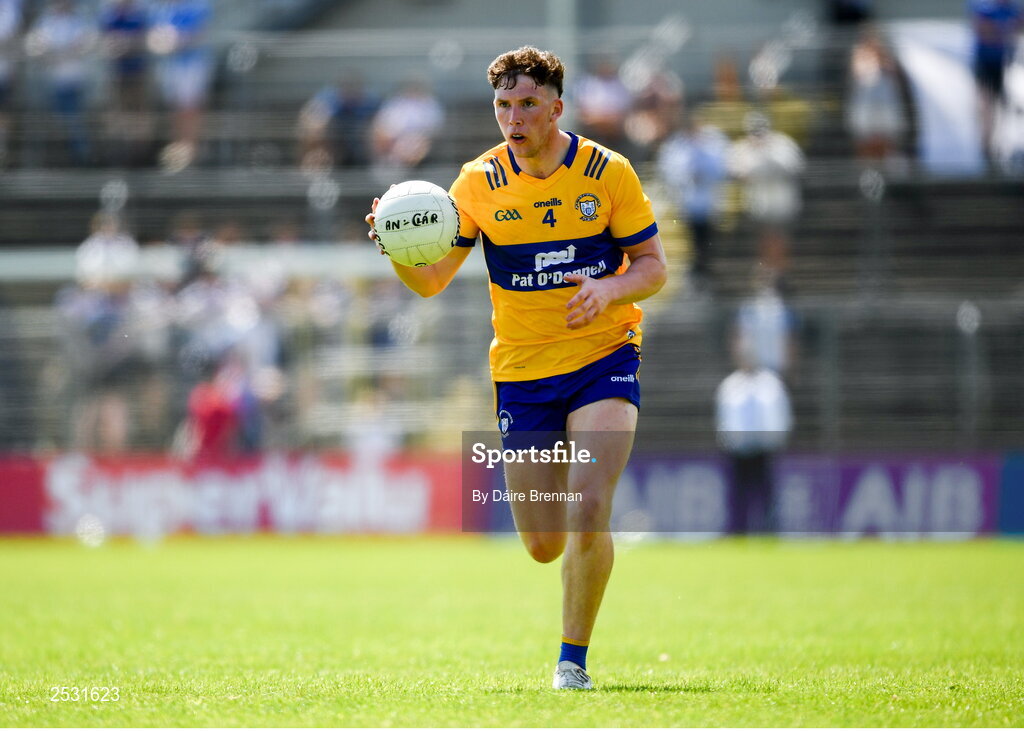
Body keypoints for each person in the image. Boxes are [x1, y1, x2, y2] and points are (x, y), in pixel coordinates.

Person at [365, 46, 667, 690]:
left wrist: (609, 290)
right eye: (504, 105)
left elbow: (653, 267)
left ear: (557, 107)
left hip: (603, 357)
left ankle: (572, 664)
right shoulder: (476, 183)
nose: (514, 116)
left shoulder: (606, 172)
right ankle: (569, 593)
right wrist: (395, 247)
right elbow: (430, 281)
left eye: (528, 104)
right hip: (523, 374)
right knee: (542, 543)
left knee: (589, 506)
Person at [715, 343, 793, 535]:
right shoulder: (730, 385)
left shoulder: (770, 382)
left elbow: (781, 412)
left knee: (765, 493)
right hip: (739, 448)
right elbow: (724, 415)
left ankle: (769, 531)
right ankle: (738, 531)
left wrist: (778, 437)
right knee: (739, 493)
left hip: (764, 447)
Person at [657, 112, 729, 290]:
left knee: (707, 239)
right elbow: (669, 172)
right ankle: (696, 272)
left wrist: (703, 173)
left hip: (708, 202)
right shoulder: (677, 146)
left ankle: (706, 271)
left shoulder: (711, 144)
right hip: (688, 203)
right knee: (692, 240)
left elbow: (721, 169)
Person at [968, 0, 1023, 162]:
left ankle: (1002, 144)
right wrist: (1005, 32)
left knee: (1004, 106)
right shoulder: (985, 8)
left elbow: (1018, 27)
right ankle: (986, 147)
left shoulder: (1013, 10)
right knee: (986, 104)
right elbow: (984, 30)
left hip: (1004, 65)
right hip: (985, 64)